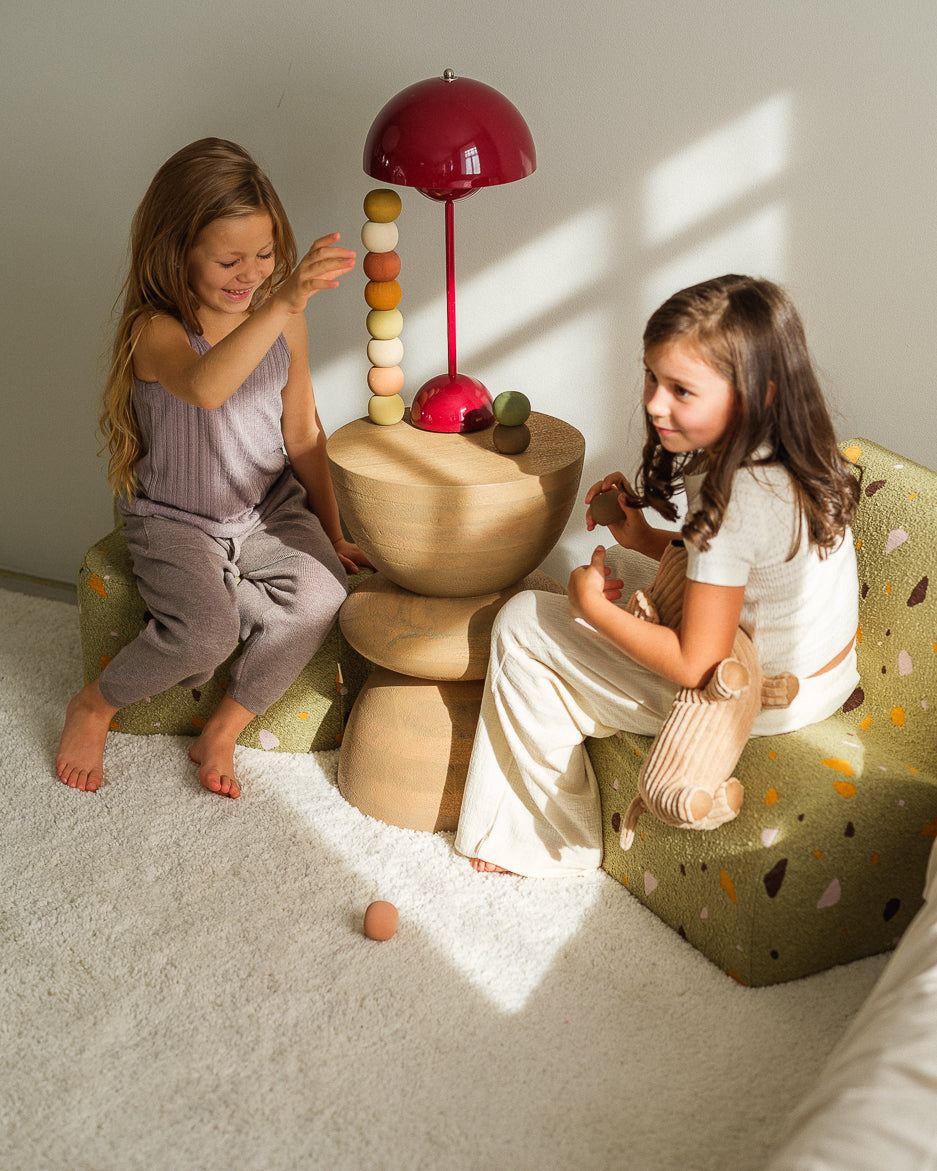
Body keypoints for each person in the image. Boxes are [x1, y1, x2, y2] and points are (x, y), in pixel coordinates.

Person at [455, 274, 861, 876]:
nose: (653, 402)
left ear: (755, 394)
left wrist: (593, 612)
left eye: (681, 390)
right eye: (652, 376)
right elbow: (739, 568)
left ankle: (547, 841)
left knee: (521, 623)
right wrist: (644, 539)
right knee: (616, 569)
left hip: (748, 694)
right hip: (812, 669)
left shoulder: (734, 502)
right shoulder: (784, 449)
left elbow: (700, 666)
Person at [56, 137, 370, 799]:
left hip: (265, 507)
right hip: (175, 517)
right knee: (203, 635)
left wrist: (331, 531)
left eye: (264, 256)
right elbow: (205, 386)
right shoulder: (157, 328)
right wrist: (283, 302)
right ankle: (95, 705)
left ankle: (223, 727)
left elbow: (304, 434)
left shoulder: (283, 322)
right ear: (178, 252)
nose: (251, 274)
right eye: (228, 259)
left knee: (324, 596)